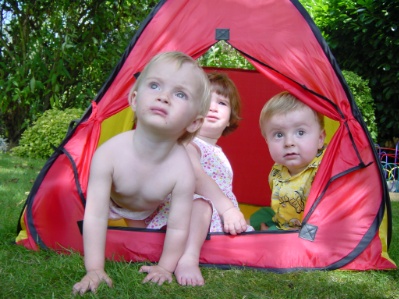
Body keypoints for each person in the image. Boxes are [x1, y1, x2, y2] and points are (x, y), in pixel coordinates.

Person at [72, 51, 211, 295]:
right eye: (155, 85)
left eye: (180, 94)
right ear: (135, 99)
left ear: (194, 123)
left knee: (197, 207)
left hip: (152, 209)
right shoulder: (109, 154)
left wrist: (165, 268)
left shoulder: (182, 169)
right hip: (113, 205)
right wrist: (94, 268)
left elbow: (178, 227)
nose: (164, 97)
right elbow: (95, 216)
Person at [146, 72, 252, 286]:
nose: (213, 108)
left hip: (215, 217)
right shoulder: (188, 144)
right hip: (185, 214)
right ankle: (187, 258)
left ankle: (223, 238)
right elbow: (196, 177)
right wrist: (228, 209)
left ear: (231, 117)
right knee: (200, 205)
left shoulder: (218, 153)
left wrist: (233, 214)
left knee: (249, 234)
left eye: (222, 103)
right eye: (205, 102)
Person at [250, 91, 326, 231]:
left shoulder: (325, 169)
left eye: (300, 133)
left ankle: (269, 234)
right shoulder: (278, 170)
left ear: (320, 139)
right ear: (267, 141)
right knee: (257, 217)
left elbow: (329, 215)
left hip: (314, 229)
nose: (289, 142)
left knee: (269, 234)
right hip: (285, 218)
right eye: (279, 135)